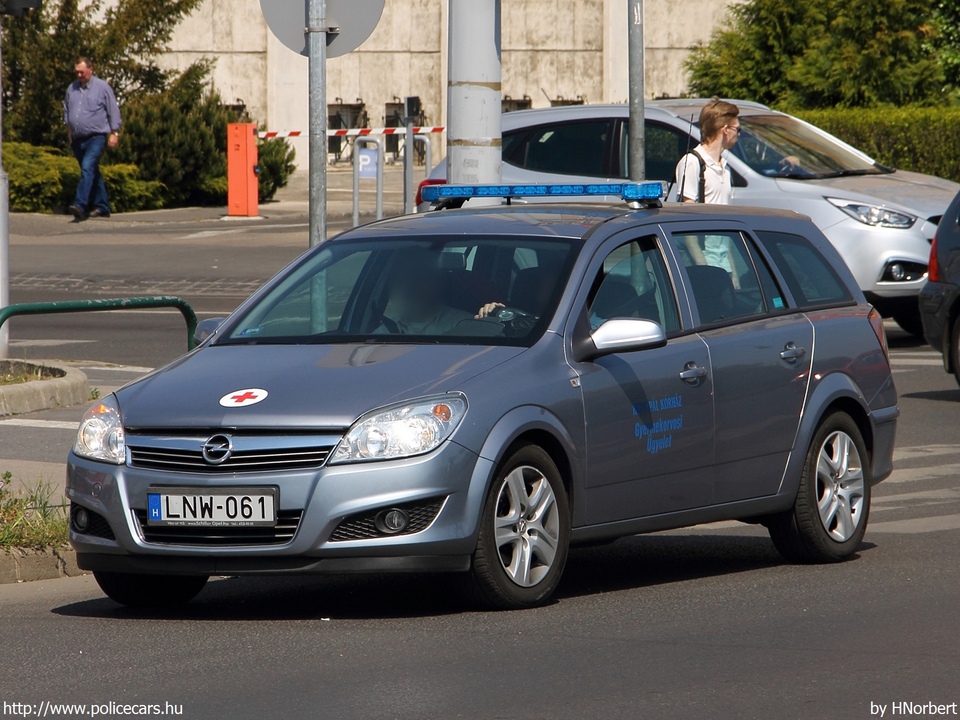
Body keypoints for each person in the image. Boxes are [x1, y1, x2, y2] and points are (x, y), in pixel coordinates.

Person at [674, 98, 741, 286]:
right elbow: (685, 223)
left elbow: (725, 224)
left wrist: (733, 272)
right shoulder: (692, 163)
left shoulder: (725, 168)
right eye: (737, 129)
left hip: (722, 264)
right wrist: (703, 267)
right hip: (702, 267)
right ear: (725, 130)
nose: (738, 135)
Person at [64, 57, 122, 220]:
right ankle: (102, 206)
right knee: (92, 171)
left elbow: (113, 110)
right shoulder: (72, 88)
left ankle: (80, 205)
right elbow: (67, 109)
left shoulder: (102, 87)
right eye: (77, 72)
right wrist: (69, 130)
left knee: (87, 168)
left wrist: (114, 133)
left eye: (82, 72)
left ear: (91, 70)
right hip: (77, 138)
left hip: (96, 137)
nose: (79, 75)